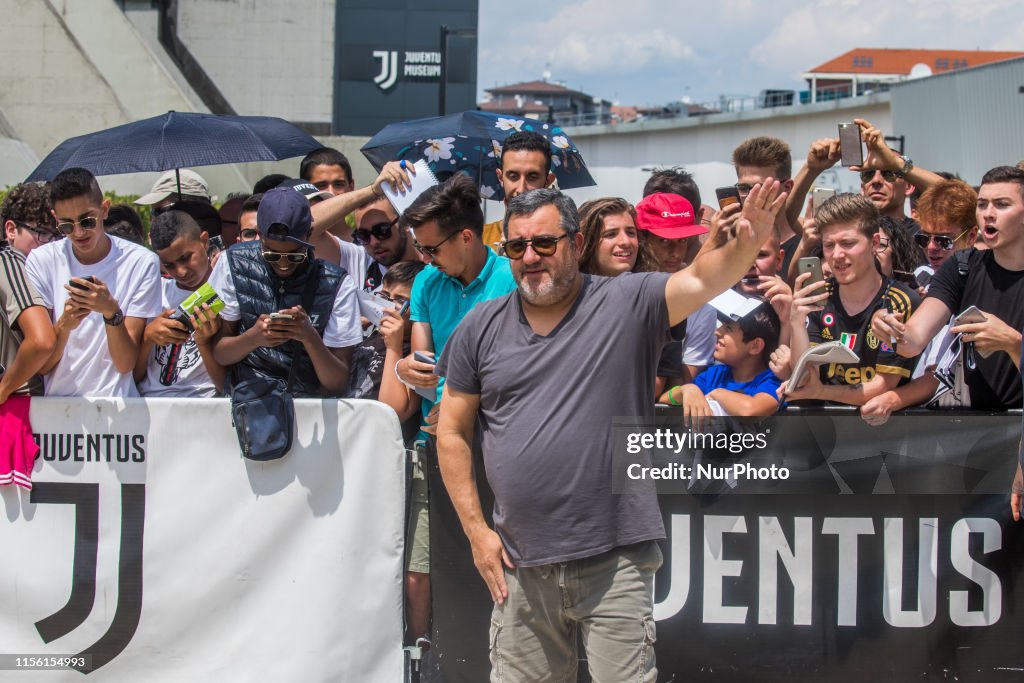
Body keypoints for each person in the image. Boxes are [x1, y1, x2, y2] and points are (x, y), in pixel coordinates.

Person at [435, 181, 785, 682]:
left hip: (615, 559)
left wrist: (749, 241)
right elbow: (451, 430)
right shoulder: (480, 326)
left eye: (544, 243)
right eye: (517, 247)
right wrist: (476, 533)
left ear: (577, 245)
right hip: (518, 564)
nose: (530, 256)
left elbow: (705, 277)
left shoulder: (630, 300)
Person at [873, 166, 1024, 412]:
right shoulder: (962, 266)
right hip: (969, 429)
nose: (988, 213)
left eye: (1002, 204)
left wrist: (1014, 344)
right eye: (983, 204)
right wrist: (890, 328)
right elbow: (912, 340)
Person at [208, 186, 362, 396]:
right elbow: (220, 353)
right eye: (271, 255)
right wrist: (253, 337)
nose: (282, 264)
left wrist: (309, 337)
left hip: (309, 407)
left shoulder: (337, 284)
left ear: (309, 235)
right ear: (260, 236)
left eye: (294, 256)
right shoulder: (232, 263)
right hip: (250, 404)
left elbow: (337, 382)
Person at [25, 168, 162, 397]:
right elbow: (43, 366)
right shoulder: (42, 260)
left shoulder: (142, 262)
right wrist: (65, 325)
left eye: (87, 221)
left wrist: (111, 312)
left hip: (118, 409)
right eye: (66, 225)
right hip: (57, 411)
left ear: (104, 210)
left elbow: (125, 364)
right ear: (56, 219)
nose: (78, 232)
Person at [782, 193, 920, 406]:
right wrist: (796, 323)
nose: (837, 255)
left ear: (874, 243)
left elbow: (882, 386)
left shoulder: (900, 300)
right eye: (829, 245)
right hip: (826, 427)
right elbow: (805, 377)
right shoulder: (819, 296)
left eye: (847, 243)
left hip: (883, 429)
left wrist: (820, 392)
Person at [861, 179, 979, 424]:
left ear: (973, 236)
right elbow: (908, 343)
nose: (932, 248)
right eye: (925, 239)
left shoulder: (978, 285)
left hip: (960, 422)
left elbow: (935, 375)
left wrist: (893, 399)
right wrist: (882, 321)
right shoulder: (920, 277)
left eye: (944, 240)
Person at [135, 210, 225, 397]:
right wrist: (148, 337)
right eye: (169, 265)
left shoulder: (227, 290)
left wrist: (204, 343)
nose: (181, 271)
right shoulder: (154, 291)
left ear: (205, 241)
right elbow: (132, 376)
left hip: (204, 405)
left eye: (186, 258)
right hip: (150, 407)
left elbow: (227, 385)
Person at [635, 192, 715, 385]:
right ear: (642, 239)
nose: (675, 252)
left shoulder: (702, 304)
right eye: (664, 241)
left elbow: (678, 382)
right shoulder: (611, 286)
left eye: (683, 240)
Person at [661, 304, 783, 418]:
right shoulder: (715, 374)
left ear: (755, 346)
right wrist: (686, 390)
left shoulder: (773, 381)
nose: (717, 332)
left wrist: (717, 394)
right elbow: (664, 399)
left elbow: (750, 410)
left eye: (728, 328)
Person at [480, 131, 556, 250]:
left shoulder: (561, 238)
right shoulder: (481, 240)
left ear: (548, 181)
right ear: (500, 177)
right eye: (513, 176)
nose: (521, 189)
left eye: (532, 177)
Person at [352, 196, 422, 291]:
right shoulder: (361, 262)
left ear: (405, 222)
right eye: (363, 235)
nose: (373, 242)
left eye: (382, 230)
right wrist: (371, 191)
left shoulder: (438, 264)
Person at [577, 197, 652, 277]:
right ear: (586, 242)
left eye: (631, 233)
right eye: (611, 234)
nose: (626, 241)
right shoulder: (570, 288)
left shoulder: (651, 286)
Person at [2, 182, 60, 257]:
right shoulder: (7, 261)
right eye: (43, 233)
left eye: (58, 235)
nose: (52, 242)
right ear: (11, 230)